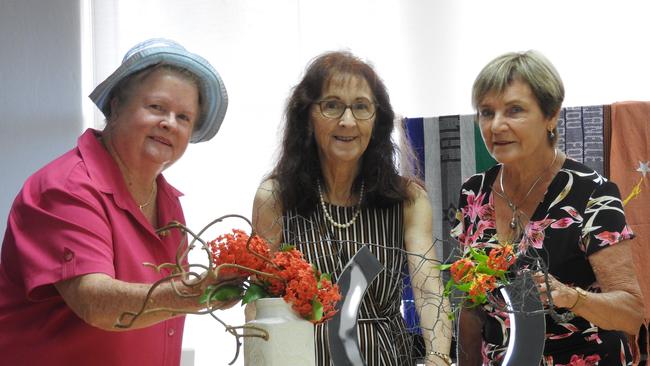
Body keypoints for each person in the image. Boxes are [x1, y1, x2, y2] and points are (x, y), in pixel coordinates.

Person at [0, 39, 234, 365]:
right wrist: (196, 292)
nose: (169, 122)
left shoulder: (168, 202)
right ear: (115, 105)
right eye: (156, 107)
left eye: (184, 117)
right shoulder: (66, 188)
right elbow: (94, 302)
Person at [251, 51, 452, 366]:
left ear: (377, 119)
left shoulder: (408, 199)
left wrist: (438, 357)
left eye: (361, 107)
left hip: (386, 357)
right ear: (307, 116)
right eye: (331, 105)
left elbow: (429, 291)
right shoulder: (275, 197)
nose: (347, 121)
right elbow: (260, 303)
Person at [452, 50, 644, 365]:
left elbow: (631, 314)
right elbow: (471, 306)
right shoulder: (474, 192)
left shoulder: (593, 194)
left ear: (551, 115)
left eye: (514, 110)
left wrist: (572, 297)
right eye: (487, 112)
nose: (497, 125)